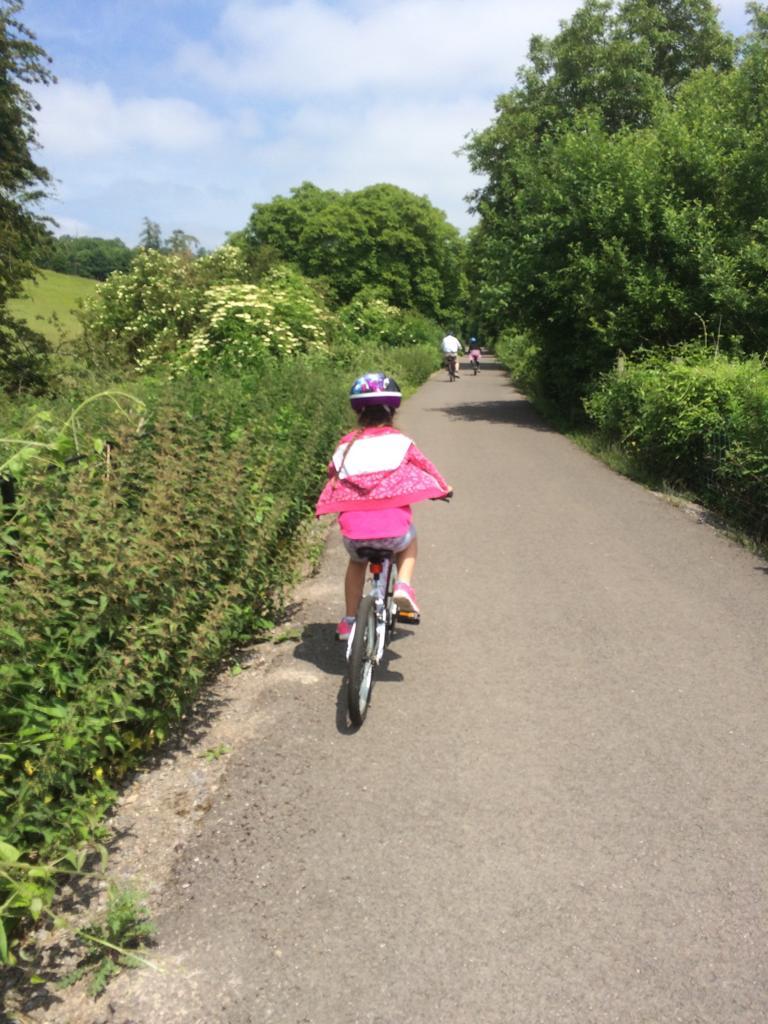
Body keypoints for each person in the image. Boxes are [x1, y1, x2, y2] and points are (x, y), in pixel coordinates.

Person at [316, 372, 452, 640]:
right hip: (393, 535)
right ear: (392, 413)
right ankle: (403, 586)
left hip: (355, 536)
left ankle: (349, 620)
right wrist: (443, 488)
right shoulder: (401, 443)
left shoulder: (345, 446)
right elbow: (427, 468)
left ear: (359, 414)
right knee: (409, 540)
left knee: (357, 563)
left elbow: (333, 472)